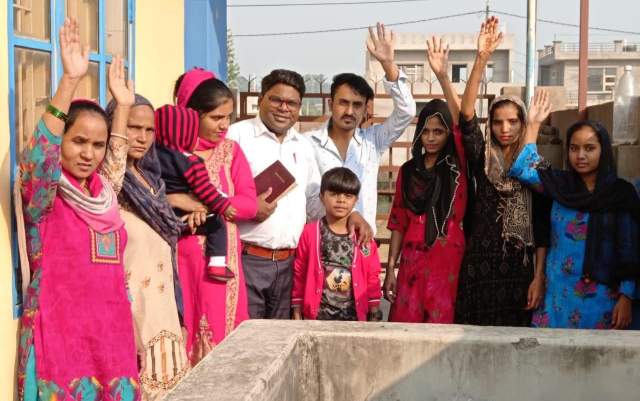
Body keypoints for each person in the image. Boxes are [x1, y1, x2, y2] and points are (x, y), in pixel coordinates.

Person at [17, 18, 139, 401]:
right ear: (60, 142)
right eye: (78, 141)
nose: (89, 154)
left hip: (111, 335)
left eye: (96, 145)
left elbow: (115, 159)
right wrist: (68, 81)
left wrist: (123, 106)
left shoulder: (102, 192)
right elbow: (38, 157)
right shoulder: (46, 197)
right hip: (62, 337)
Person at [228, 69, 372, 319]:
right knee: (245, 340)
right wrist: (249, 207)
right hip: (247, 259)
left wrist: (352, 216)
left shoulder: (303, 146)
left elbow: (315, 201)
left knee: (281, 343)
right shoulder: (236, 137)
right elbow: (215, 195)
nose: (284, 108)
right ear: (261, 99)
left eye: (292, 103)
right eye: (276, 100)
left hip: (288, 264)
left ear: (299, 107)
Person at [509, 90, 639, 329]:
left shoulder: (621, 194)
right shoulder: (559, 186)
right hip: (558, 296)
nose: (580, 155)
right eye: (574, 148)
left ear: (604, 151)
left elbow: (629, 248)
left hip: (603, 301)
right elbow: (523, 168)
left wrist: (627, 296)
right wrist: (534, 125)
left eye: (589, 148)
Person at [454, 17, 550, 327]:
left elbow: (541, 227)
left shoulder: (539, 168)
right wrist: (481, 58)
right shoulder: (483, 158)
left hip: (519, 273)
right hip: (479, 268)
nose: (504, 129)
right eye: (497, 122)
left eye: (513, 122)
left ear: (523, 124)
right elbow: (466, 116)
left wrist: (538, 276)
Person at [104, 67, 190, 397]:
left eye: (148, 130)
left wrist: (180, 315)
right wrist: (121, 106)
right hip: (132, 319)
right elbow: (112, 173)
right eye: (132, 127)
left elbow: (169, 256)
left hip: (165, 315)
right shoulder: (107, 190)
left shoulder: (152, 185)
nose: (141, 137)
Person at [169, 68, 257, 364]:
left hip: (220, 267)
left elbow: (249, 204)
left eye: (228, 117)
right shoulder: (168, 151)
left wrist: (207, 204)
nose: (224, 126)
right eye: (216, 118)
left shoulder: (231, 152)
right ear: (192, 114)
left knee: (220, 341)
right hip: (178, 262)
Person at [383, 36, 468, 323]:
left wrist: (443, 76)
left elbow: (462, 124)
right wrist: (390, 268)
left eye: (438, 132)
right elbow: (397, 221)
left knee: (441, 329)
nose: (431, 138)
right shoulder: (408, 171)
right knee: (405, 331)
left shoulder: (457, 167)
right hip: (411, 261)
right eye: (426, 131)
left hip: (448, 260)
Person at [306, 22, 416, 232]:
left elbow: (407, 111)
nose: (349, 111)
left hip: (362, 244)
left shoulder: (373, 141)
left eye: (357, 105)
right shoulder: (308, 143)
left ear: (366, 108)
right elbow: (309, 197)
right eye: (343, 103)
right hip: (320, 244)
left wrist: (388, 65)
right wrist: (349, 216)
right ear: (331, 104)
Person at [292, 168, 382, 321]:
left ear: (356, 200)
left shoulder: (363, 236)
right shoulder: (310, 233)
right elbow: (299, 271)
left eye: (348, 195)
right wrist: (296, 310)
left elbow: (372, 276)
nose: (341, 200)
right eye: (333, 194)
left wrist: (374, 312)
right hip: (318, 317)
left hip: (353, 319)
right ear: (321, 196)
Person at [154, 104, 233, 281]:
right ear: (186, 133)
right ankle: (217, 265)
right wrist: (221, 204)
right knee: (217, 223)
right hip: (185, 215)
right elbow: (203, 188)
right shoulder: (189, 159)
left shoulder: (151, 155)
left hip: (162, 216)